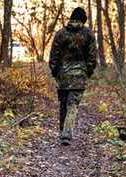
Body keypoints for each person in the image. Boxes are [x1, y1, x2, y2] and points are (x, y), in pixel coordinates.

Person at [49, 7, 97, 146]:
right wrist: (86, 72)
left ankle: (63, 133)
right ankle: (66, 134)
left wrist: (56, 72)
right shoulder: (88, 34)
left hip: (62, 75)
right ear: (83, 20)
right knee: (72, 105)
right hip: (79, 75)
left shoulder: (60, 34)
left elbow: (53, 57)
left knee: (63, 105)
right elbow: (92, 58)